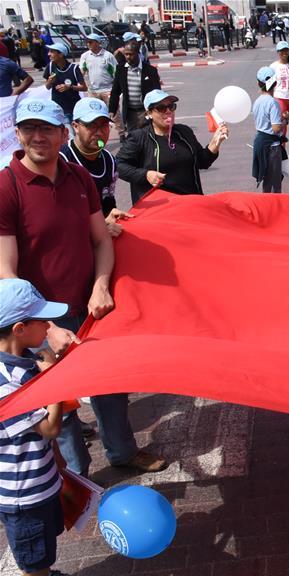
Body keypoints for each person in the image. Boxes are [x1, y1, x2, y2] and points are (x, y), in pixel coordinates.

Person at [0, 98, 166, 476]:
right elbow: (5, 273)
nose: (38, 137)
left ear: (62, 134)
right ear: (17, 134)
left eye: (46, 129)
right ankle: (76, 475)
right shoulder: (7, 187)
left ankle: (122, 452)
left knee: (110, 384)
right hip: (36, 318)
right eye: (29, 128)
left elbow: (101, 239)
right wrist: (48, 327)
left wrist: (101, 286)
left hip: (88, 306)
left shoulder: (78, 178)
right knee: (57, 401)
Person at [0, 279, 94, 576]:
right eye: (43, 321)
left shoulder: (25, 359)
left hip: (40, 476)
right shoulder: (5, 383)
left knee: (42, 544)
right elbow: (51, 428)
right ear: (20, 329)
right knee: (33, 556)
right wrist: (52, 375)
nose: (49, 326)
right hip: (23, 492)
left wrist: (57, 459)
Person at [117, 89, 228, 202]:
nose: (168, 111)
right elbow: (119, 165)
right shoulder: (139, 137)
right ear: (149, 113)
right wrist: (146, 175)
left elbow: (203, 161)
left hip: (190, 203)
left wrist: (215, 142)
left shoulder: (184, 132)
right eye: (161, 108)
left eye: (171, 106)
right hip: (159, 207)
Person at [61, 99, 131, 237]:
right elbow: (57, 217)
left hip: (101, 236)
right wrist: (99, 228)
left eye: (103, 125)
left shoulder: (109, 160)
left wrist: (112, 216)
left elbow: (108, 202)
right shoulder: (61, 161)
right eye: (91, 125)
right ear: (75, 126)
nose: (98, 132)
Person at [108, 41, 161, 141]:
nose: (128, 57)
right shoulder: (121, 69)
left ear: (137, 53)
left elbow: (157, 93)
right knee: (134, 139)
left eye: (130, 54)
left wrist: (156, 110)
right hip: (130, 113)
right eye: (126, 54)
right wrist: (112, 109)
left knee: (148, 138)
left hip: (146, 112)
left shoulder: (150, 70)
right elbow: (115, 91)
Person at [251, 67, 286, 194]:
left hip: (260, 144)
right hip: (272, 147)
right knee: (275, 183)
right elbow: (276, 128)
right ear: (275, 83)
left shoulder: (257, 101)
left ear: (258, 83)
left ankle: (265, 204)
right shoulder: (273, 103)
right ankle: (275, 205)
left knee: (266, 180)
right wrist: (285, 121)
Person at [43, 43, 86, 127]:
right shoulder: (50, 66)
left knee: (78, 131)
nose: (48, 54)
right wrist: (50, 81)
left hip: (74, 107)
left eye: (52, 52)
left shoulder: (74, 68)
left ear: (61, 54)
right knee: (68, 132)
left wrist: (69, 87)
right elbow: (47, 87)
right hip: (59, 108)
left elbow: (84, 88)